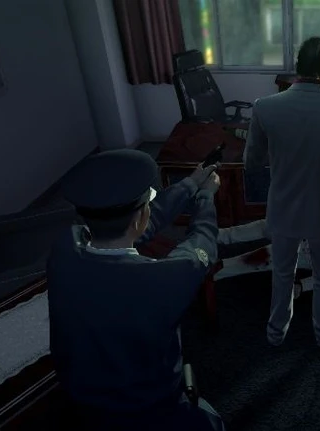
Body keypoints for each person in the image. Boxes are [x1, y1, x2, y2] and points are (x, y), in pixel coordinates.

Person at [47, 149, 225, 431]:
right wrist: (206, 197)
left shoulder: (64, 248)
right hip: (153, 411)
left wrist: (191, 183)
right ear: (139, 217)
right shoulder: (166, 279)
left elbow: (138, 226)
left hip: (85, 407)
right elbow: (202, 242)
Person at [243, 37, 320, 349]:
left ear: (297, 66)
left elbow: (252, 162)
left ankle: (276, 331)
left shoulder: (264, 108)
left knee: (282, 273)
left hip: (283, 207)